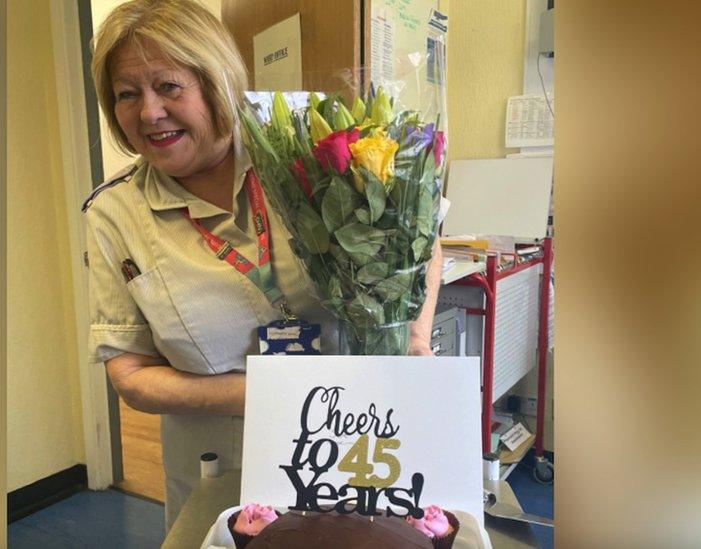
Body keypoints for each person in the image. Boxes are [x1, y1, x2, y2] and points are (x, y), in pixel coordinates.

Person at [84, 0, 443, 531]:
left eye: (168, 86)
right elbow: (131, 377)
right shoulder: (113, 214)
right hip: (224, 471)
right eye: (126, 94)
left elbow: (420, 240)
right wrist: (274, 393)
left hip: (362, 446)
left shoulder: (306, 154)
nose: (147, 113)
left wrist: (411, 343)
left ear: (216, 81)